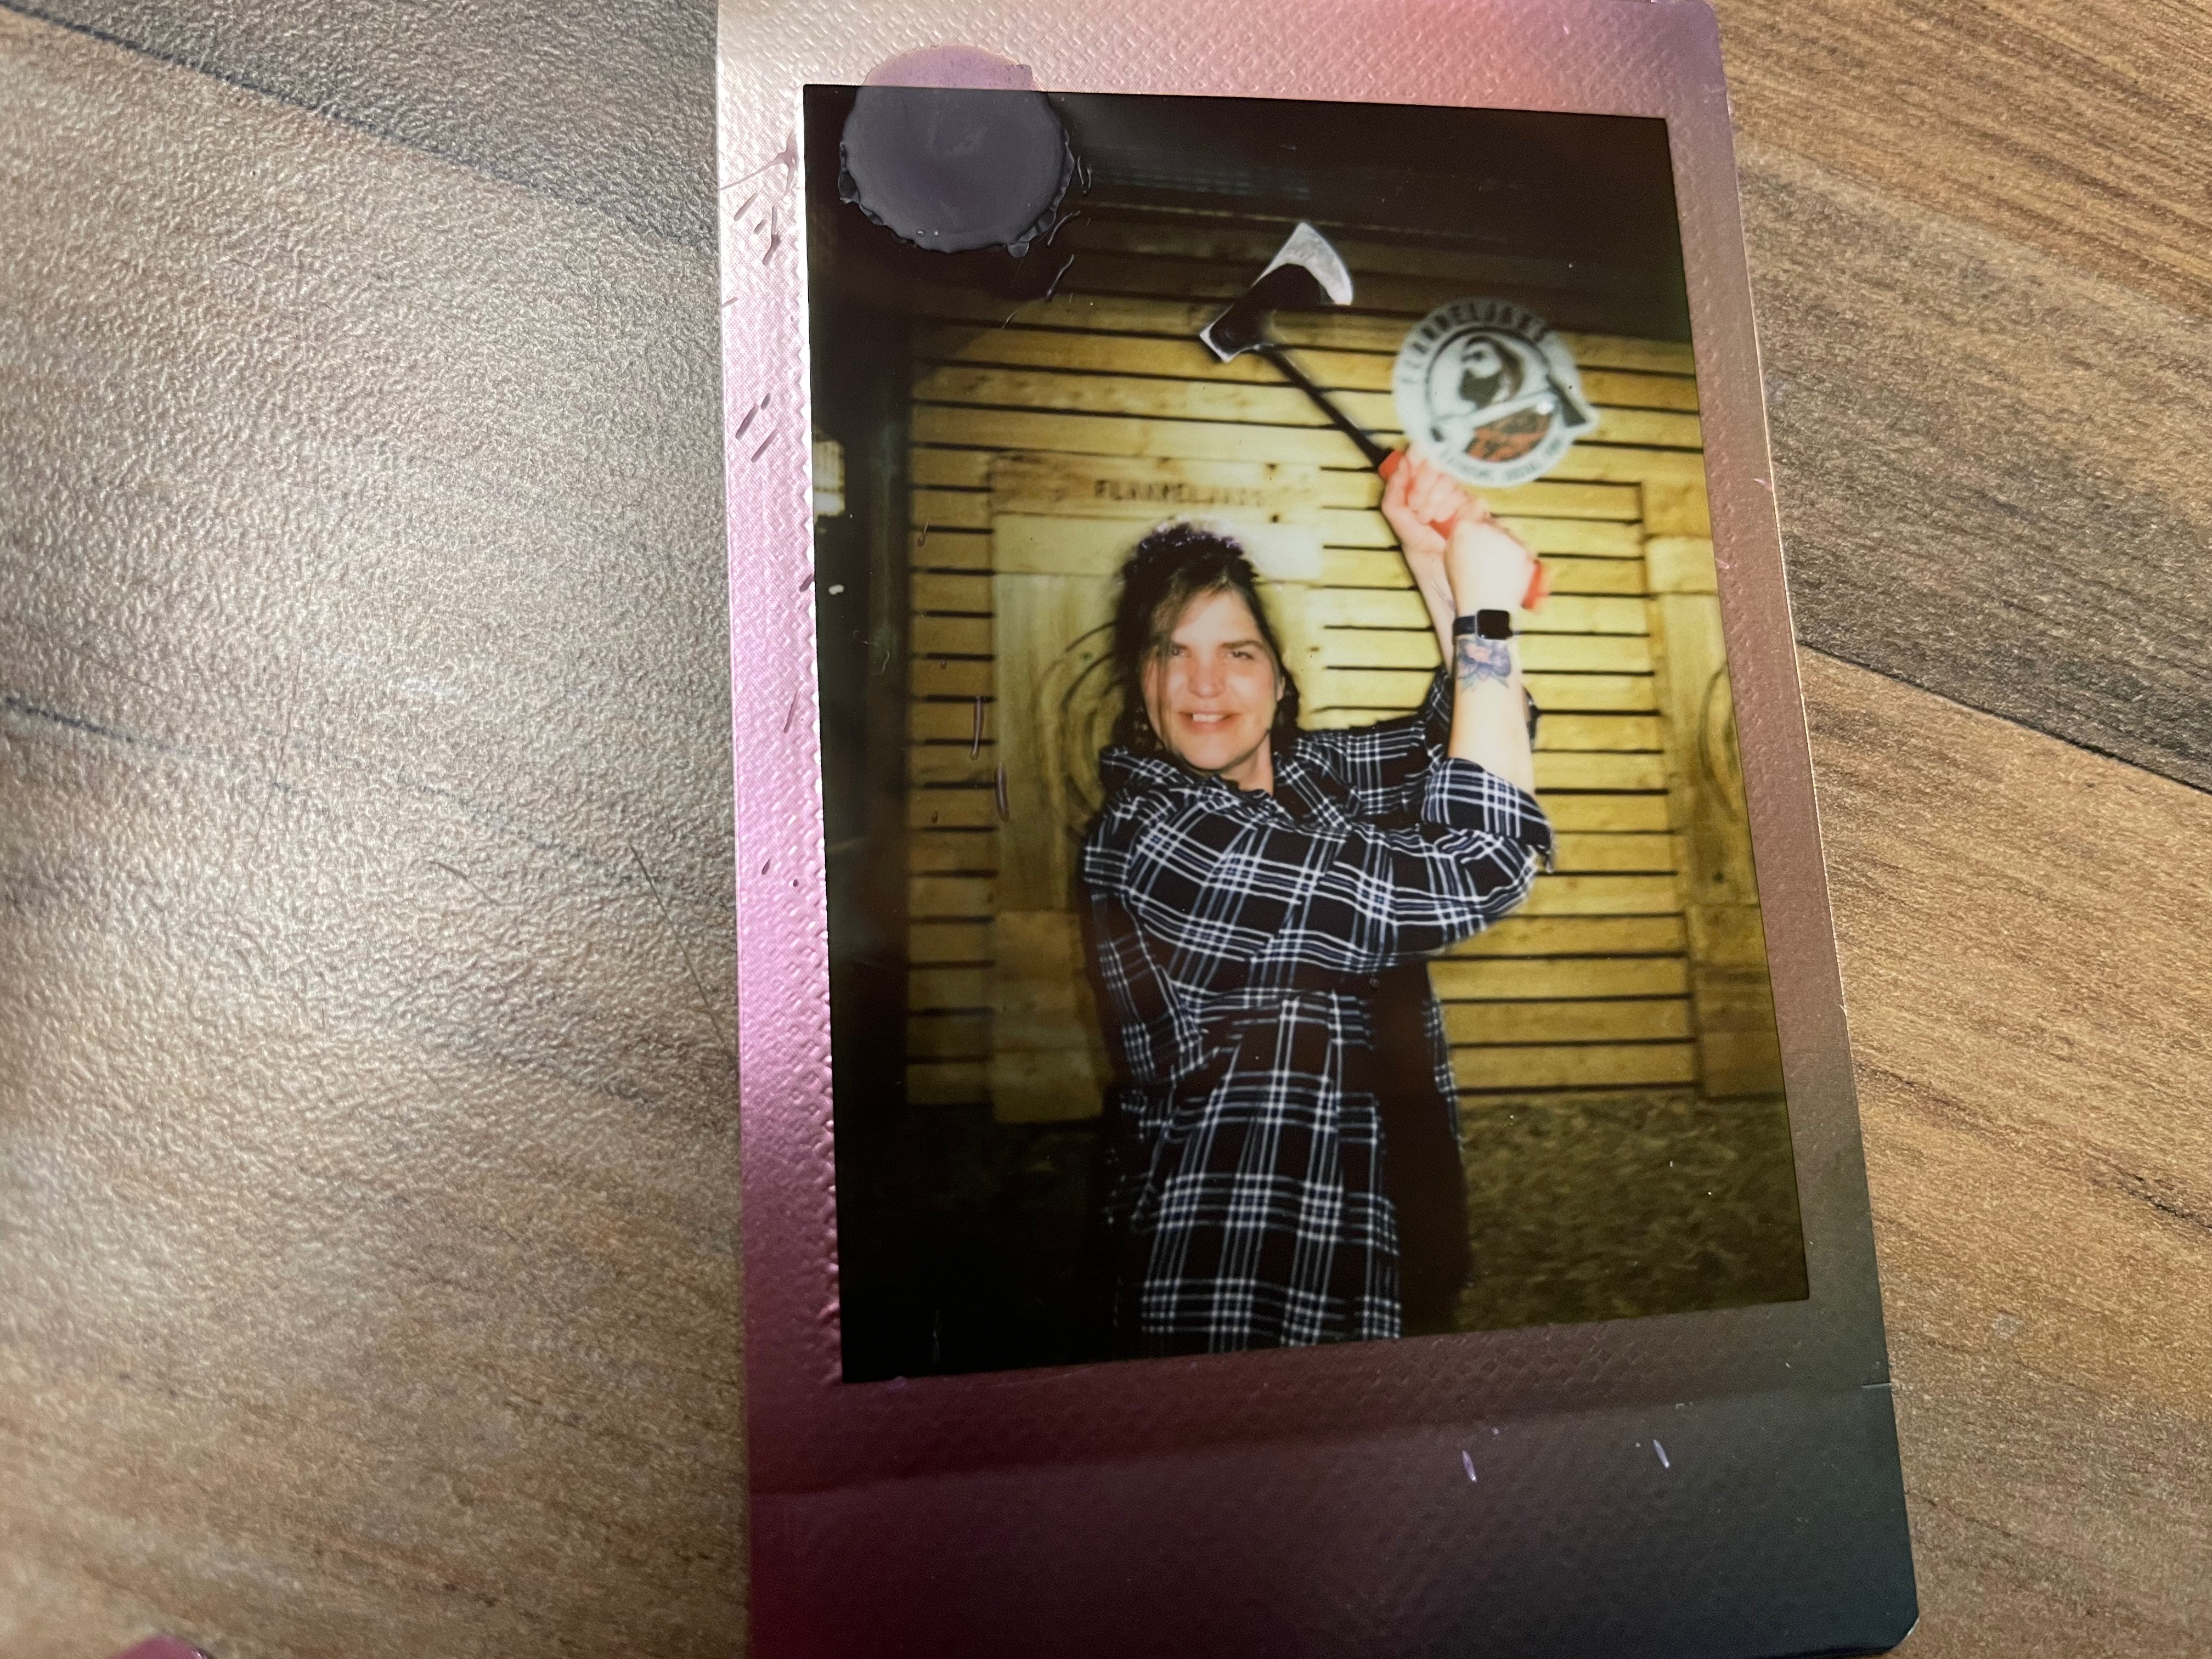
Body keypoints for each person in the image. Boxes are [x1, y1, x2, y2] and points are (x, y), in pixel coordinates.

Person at [1077, 452, 1554, 1355]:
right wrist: (1488, 616)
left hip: (1392, 1212)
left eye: (1237, 652)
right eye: (1171, 652)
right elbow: (1481, 860)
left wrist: (1432, 562)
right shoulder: (1162, 840)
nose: (1204, 685)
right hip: (1248, 1277)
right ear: (1140, 682)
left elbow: (1469, 736)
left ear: (1279, 676)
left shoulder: (1306, 775)